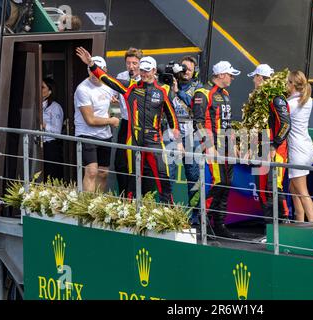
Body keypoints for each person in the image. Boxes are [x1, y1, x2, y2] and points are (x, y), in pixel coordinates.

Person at [76, 47, 183, 203]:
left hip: (154, 141)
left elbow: (172, 116)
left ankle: (169, 210)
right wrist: (92, 64)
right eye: (142, 70)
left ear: (154, 71)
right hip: (133, 139)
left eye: (147, 70)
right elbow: (107, 79)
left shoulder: (162, 91)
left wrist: (178, 141)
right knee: (132, 177)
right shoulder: (129, 86)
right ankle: (130, 211)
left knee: (162, 177)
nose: (144, 74)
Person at [192, 61, 240, 239]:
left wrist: (234, 142)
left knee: (226, 184)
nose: (232, 77)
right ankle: (203, 224)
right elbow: (197, 121)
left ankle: (219, 224)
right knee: (218, 183)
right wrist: (208, 145)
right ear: (220, 75)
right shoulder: (203, 93)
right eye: (230, 74)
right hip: (213, 146)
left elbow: (228, 121)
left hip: (227, 146)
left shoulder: (225, 93)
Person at [247, 64, 291, 224]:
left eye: (255, 77)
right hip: (261, 147)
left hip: (276, 150)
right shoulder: (259, 98)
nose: (253, 80)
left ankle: (283, 223)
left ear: (260, 77)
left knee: (274, 187)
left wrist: (274, 145)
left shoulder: (277, 98)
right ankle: (269, 228)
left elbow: (286, 124)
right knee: (262, 189)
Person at [74, 55, 120, 192]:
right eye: (91, 70)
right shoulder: (82, 89)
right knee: (91, 171)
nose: (94, 74)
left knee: (103, 173)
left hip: (105, 135)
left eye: (97, 70)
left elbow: (115, 108)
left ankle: (97, 205)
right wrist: (111, 120)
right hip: (86, 134)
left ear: (104, 70)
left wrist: (114, 110)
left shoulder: (109, 86)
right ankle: (87, 208)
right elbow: (90, 120)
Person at [169, 55, 202, 224]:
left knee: (194, 176)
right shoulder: (170, 84)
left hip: (191, 133)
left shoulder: (198, 87)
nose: (186, 71)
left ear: (195, 70)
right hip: (173, 133)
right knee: (169, 174)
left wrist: (178, 92)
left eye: (189, 68)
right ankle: (167, 211)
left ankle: (195, 216)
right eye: (183, 68)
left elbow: (195, 106)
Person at [286, 71, 313, 223]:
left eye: (287, 83)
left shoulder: (290, 104)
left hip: (297, 151)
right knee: (294, 189)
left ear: (292, 85)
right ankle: (299, 221)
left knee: (303, 192)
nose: (286, 85)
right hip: (306, 149)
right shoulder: (308, 100)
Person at [114, 47, 142, 197]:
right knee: (120, 162)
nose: (131, 67)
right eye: (128, 63)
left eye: (135, 63)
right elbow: (112, 93)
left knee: (138, 163)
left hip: (141, 125)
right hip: (125, 123)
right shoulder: (121, 76)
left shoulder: (146, 77)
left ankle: (137, 198)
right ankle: (124, 196)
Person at [42, 78, 64, 181]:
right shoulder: (37, 105)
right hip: (38, 145)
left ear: (50, 91)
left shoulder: (55, 107)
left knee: (51, 176)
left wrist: (45, 125)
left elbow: (57, 131)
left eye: (42, 87)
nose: (40, 89)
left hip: (50, 146)